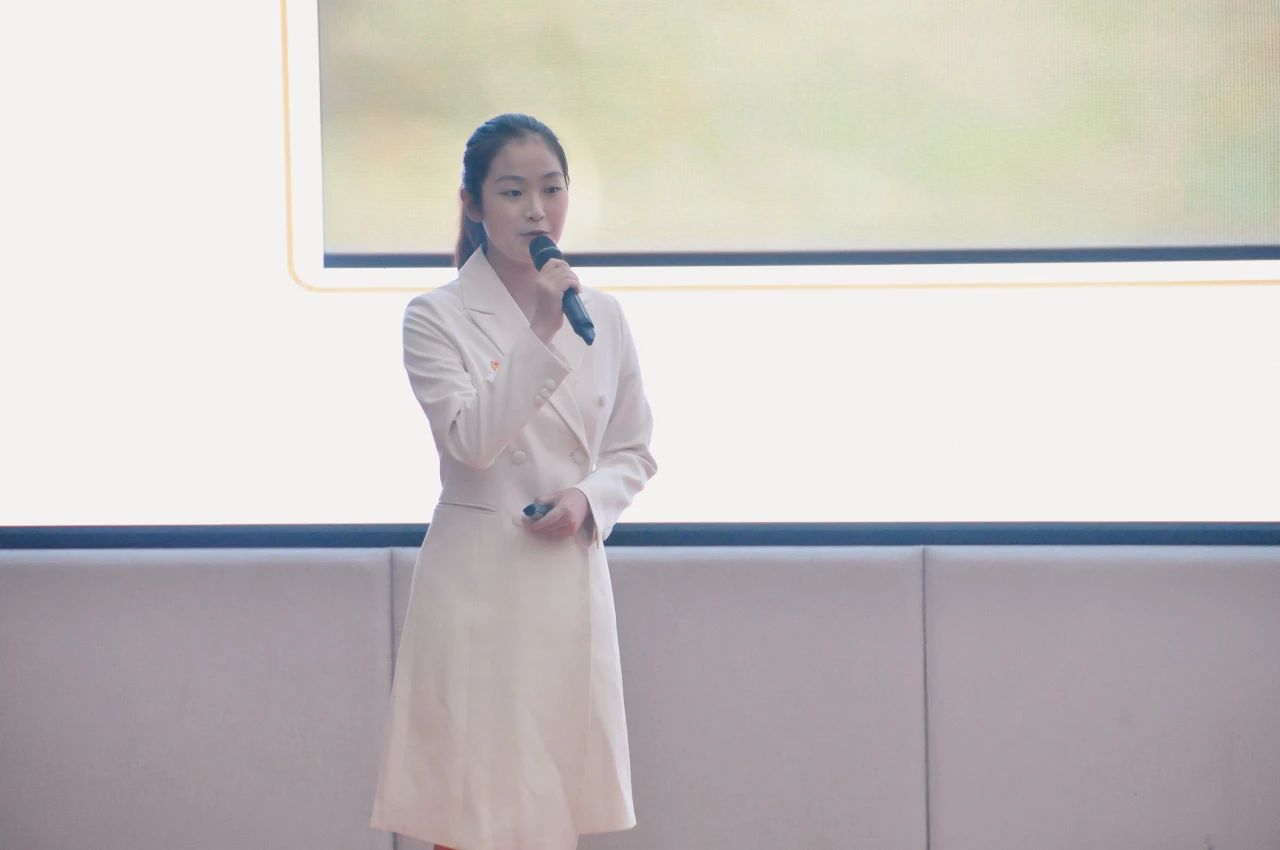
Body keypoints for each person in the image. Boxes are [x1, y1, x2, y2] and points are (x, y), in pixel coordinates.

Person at [369, 113, 657, 850]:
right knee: (472, 809)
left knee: (553, 806)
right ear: (471, 203)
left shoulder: (604, 314)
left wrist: (586, 499)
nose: (537, 211)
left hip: (566, 583)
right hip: (480, 592)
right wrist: (539, 331)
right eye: (512, 191)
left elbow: (631, 450)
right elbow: (470, 442)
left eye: (552, 189)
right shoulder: (435, 316)